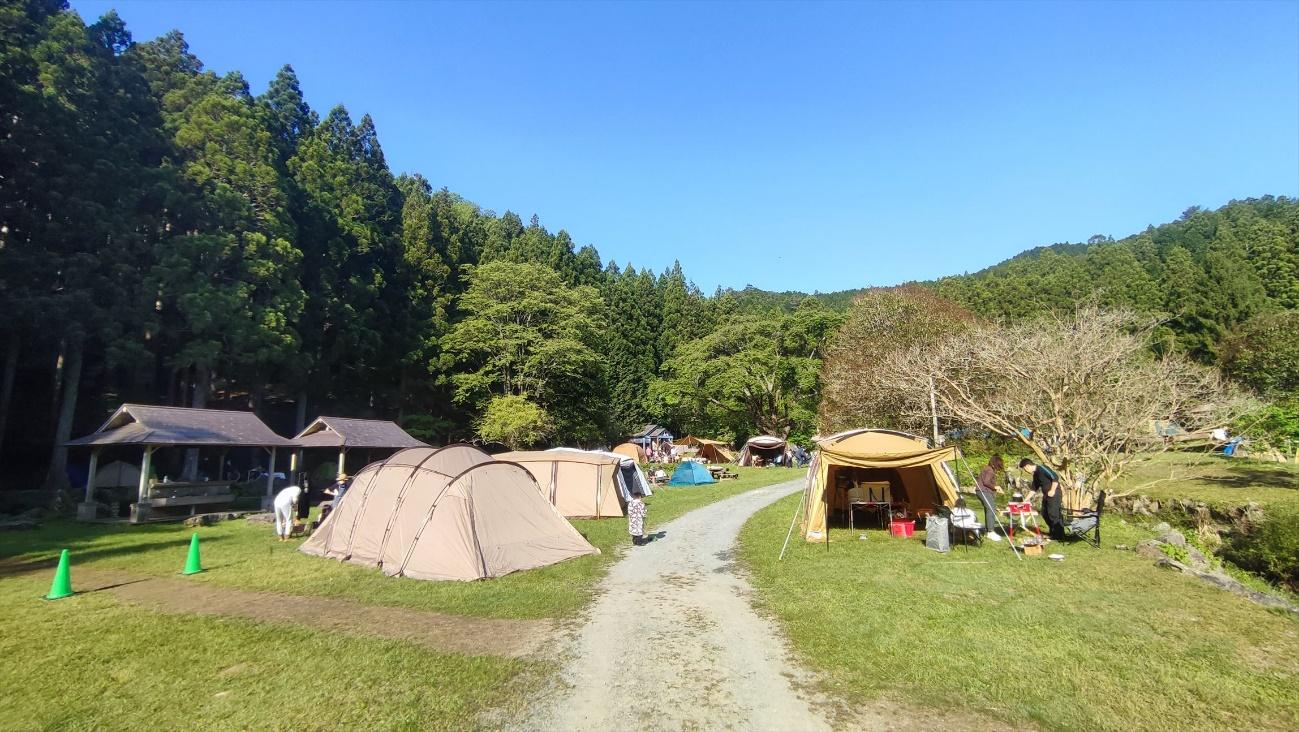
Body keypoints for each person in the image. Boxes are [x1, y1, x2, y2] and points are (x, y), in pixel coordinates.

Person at [1019, 458, 1064, 540]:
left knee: (1053, 514)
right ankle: (1053, 532)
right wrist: (1025, 500)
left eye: (1025, 469)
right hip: (1046, 495)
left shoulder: (1042, 468)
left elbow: (1055, 477)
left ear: (1027, 466)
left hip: (1054, 494)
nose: (1025, 471)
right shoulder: (1035, 474)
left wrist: (1052, 490)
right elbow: (1033, 488)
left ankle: (1059, 535)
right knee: (1044, 513)